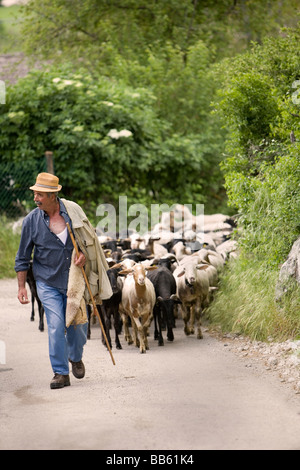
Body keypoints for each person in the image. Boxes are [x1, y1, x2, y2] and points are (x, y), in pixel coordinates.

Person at [15, 172, 112, 389]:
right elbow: (22, 257)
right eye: (35, 194)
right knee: (56, 325)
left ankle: (75, 357)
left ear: (52, 195)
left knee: (78, 326)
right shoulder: (31, 221)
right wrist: (22, 286)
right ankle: (60, 373)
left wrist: (84, 256)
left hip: (74, 282)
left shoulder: (73, 213)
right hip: (46, 281)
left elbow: (89, 241)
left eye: (39, 194)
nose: (35, 199)